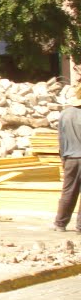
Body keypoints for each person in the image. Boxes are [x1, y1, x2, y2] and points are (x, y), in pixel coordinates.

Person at [54, 88, 81, 231]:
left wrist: (63, 158)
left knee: (68, 191)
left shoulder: (65, 114)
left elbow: (61, 138)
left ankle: (60, 223)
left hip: (70, 158)